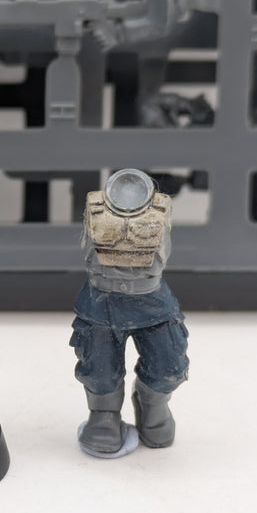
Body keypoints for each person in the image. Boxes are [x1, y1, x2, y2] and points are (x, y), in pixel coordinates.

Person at [71, 168, 189, 457]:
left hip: (152, 303)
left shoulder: (160, 209)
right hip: (103, 303)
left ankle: (153, 406)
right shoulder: (96, 209)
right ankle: (104, 415)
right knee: (99, 367)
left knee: (169, 365)